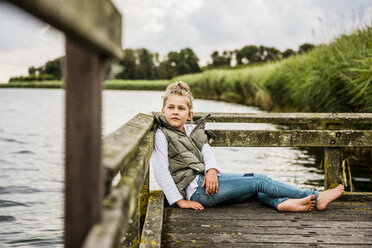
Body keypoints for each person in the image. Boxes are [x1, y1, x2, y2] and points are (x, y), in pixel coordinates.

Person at [150, 81, 344, 211]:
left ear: (189, 114)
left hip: (207, 181)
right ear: (163, 110)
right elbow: (160, 170)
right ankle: (316, 196)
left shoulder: (192, 129)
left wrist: (211, 170)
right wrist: (180, 201)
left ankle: (283, 204)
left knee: (256, 187)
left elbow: (206, 151)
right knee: (259, 180)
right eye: (171, 107)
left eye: (181, 108)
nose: (175, 112)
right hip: (197, 191)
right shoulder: (162, 134)